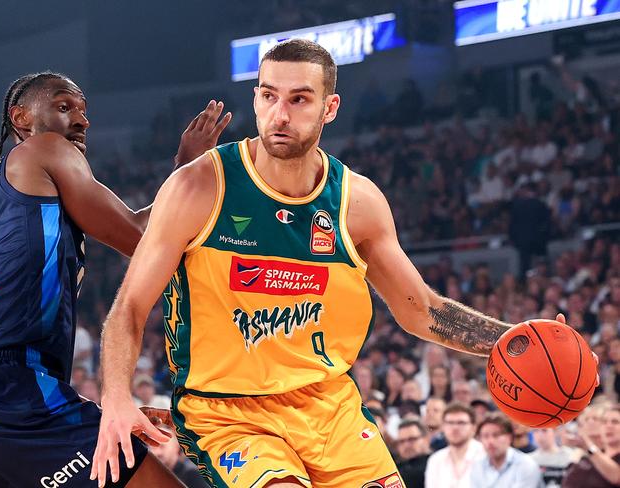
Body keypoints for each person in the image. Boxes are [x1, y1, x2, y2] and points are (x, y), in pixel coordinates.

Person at [92, 39, 569, 488]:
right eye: (268, 96)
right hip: (227, 412)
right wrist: (115, 398)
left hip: (329, 407)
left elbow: (421, 309)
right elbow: (129, 308)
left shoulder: (357, 202)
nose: (280, 114)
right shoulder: (198, 187)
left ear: (329, 108)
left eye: (299, 99)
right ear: (256, 99)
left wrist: (513, 339)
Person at [0, 71, 231, 488]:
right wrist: (189, 169)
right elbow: (140, 236)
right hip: (12, 384)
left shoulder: (4, 187)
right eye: (64, 106)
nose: (81, 119)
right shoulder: (45, 149)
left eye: (84, 110)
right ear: (21, 118)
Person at [471, 413, 543, 488]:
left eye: (496, 435)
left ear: (510, 437)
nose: (490, 441)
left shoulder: (526, 465)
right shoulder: (477, 466)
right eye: (485, 436)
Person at [424, 403, 484, 488]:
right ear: (443, 427)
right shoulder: (435, 460)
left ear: (473, 428)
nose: (455, 428)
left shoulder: (485, 455)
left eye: (461, 423)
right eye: (450, 423)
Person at [562, 404, 620, 487]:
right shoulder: (587, 459)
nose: (608, 425)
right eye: (604, 422)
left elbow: (616, 477)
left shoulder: (592, 453)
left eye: (615, 422)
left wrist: (588, 447)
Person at [396, 419, 430, 488]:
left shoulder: (436, 463)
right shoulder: (395, 469)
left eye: (411, 439)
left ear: (426, 439)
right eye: (402, 441)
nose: (406, 445)